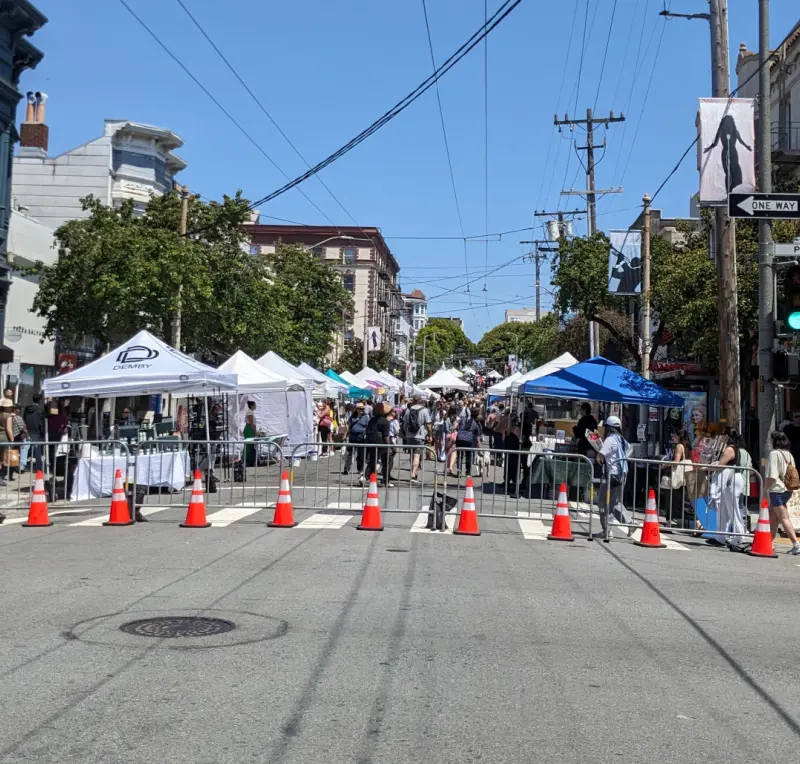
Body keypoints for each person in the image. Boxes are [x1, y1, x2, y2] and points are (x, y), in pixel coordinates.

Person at [594, 415, 632, 541]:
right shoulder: (621, 439)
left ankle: (607, 530)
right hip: (622, 474)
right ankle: (627, 524)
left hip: (611, 475)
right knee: (614, 502)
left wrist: (599, 456)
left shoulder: (610, 439)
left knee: (603, 503)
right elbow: (630, 448)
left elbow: (600, 456)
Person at [765, 430, 800, 555]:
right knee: (773, 515)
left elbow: (772, 476)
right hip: (787, 489)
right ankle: (770, 542)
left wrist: (765, 489)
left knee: (783, 517)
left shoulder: (774, 454)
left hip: (777, 489)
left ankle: (796, 544)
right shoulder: (788, 454)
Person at [362, 402, 393, 488]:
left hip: (371, 441)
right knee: (387, 461)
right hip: (382, 443)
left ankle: (365, 477)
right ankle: (386, 480)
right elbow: (386, 436)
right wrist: (389, 446)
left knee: (373, 460)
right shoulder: (385, 421)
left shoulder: (371, 420)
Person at [402, 395, 431, 482]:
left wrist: (405, 433)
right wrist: (430, 434)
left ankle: (413, 471)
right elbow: (428, 424)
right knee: (417, 455)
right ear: (420, 400)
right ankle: (413, 474)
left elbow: (404, 424)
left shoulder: (408, 410)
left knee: (412, 455)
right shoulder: (424, 410)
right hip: (420, 435)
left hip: (410, 436)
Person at [342, 402, 369, 475]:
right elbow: (348, 426)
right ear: (356, 409)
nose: (362, 410)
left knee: (361, 455)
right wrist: (345, 434)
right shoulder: (352, 417)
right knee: (350, 453)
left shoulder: (366, 417)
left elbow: (368, 427)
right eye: (360, 409)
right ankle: (346, 468)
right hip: (352, 437)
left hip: (361, 437)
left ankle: (360, 469)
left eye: (363, 409)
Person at [455, 408, 482, 478]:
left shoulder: (462, 419)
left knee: (460, 456)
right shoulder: (475, 424)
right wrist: (479, 449)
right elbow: (478, 439)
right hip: (468, 440)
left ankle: (459, 471)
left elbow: (455, 426)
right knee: (469, 456)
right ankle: (468, 473)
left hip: (459, 439)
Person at [22, 394, 45, 473]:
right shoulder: (40, 410)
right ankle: (38, 467)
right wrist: (43, 432)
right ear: (39, 400)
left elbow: (24, 419)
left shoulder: (27, 408)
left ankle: (22, 466)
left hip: (27, 430)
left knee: (25, 448)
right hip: (36, 431)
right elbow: (40, 422)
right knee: (37, 449)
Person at [243, 400, 261, 468]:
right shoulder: (250, 412)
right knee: (248, 446)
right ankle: (245, 460)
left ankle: (249, 461)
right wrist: (256, 432)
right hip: (249, 429)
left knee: (251, 446)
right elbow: (251, 424)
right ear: (252, 405)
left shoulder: (251, 412)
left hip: (250, 429)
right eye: (255, 405)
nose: (256, 406)